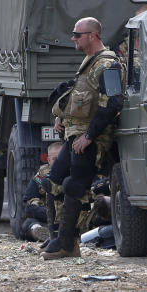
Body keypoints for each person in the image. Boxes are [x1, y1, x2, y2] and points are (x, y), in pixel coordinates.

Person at [44, 17, 123, 260]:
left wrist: (89, 137)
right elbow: (80, 96)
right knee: (53, 181)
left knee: (75, 186)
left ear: (92, 36)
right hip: (75, 134)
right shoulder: (90, 62)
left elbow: (113, 103)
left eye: (77, 34)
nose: (73, 38)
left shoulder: (108, 64)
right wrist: (63, 118)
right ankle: (58, 237)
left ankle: (67, 244)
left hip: (91, 139)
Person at [21, 142, 63, 243]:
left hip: (74, 215)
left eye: (61, 158)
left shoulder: (76, 171)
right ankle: (40, 232)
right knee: (28, 223)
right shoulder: (42, 175)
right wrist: (48, 212)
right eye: (54, 159)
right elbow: (30, 200)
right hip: (50, 216)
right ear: (48, 160)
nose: (58, 162)